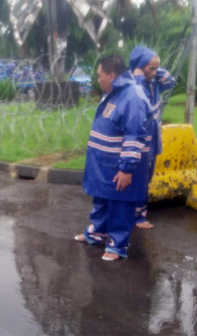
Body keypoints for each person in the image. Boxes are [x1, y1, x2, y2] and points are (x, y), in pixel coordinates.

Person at [74, 54, 151, 261]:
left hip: (120, 165)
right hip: (104, 164)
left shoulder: (132, 96)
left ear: (111, 75)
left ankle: (118, 245)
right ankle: (96, 233)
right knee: (102, 199)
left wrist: (126, 169)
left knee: (120, 203)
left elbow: (134, 135)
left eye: (100, 76)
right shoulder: (113, 93)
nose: (97, 80)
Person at [129, 45, 177, 229]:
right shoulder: (134, 83)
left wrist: (153, 68)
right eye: (152, 68)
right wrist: (140, 74)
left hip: (153, 137)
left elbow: (170, 81)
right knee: (137, 177)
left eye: (157, 68)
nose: (156, 72)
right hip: (139, 139)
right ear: (140, 67)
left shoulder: (154, 82)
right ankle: (137, 216)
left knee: (146, 177)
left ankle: (135, 212)